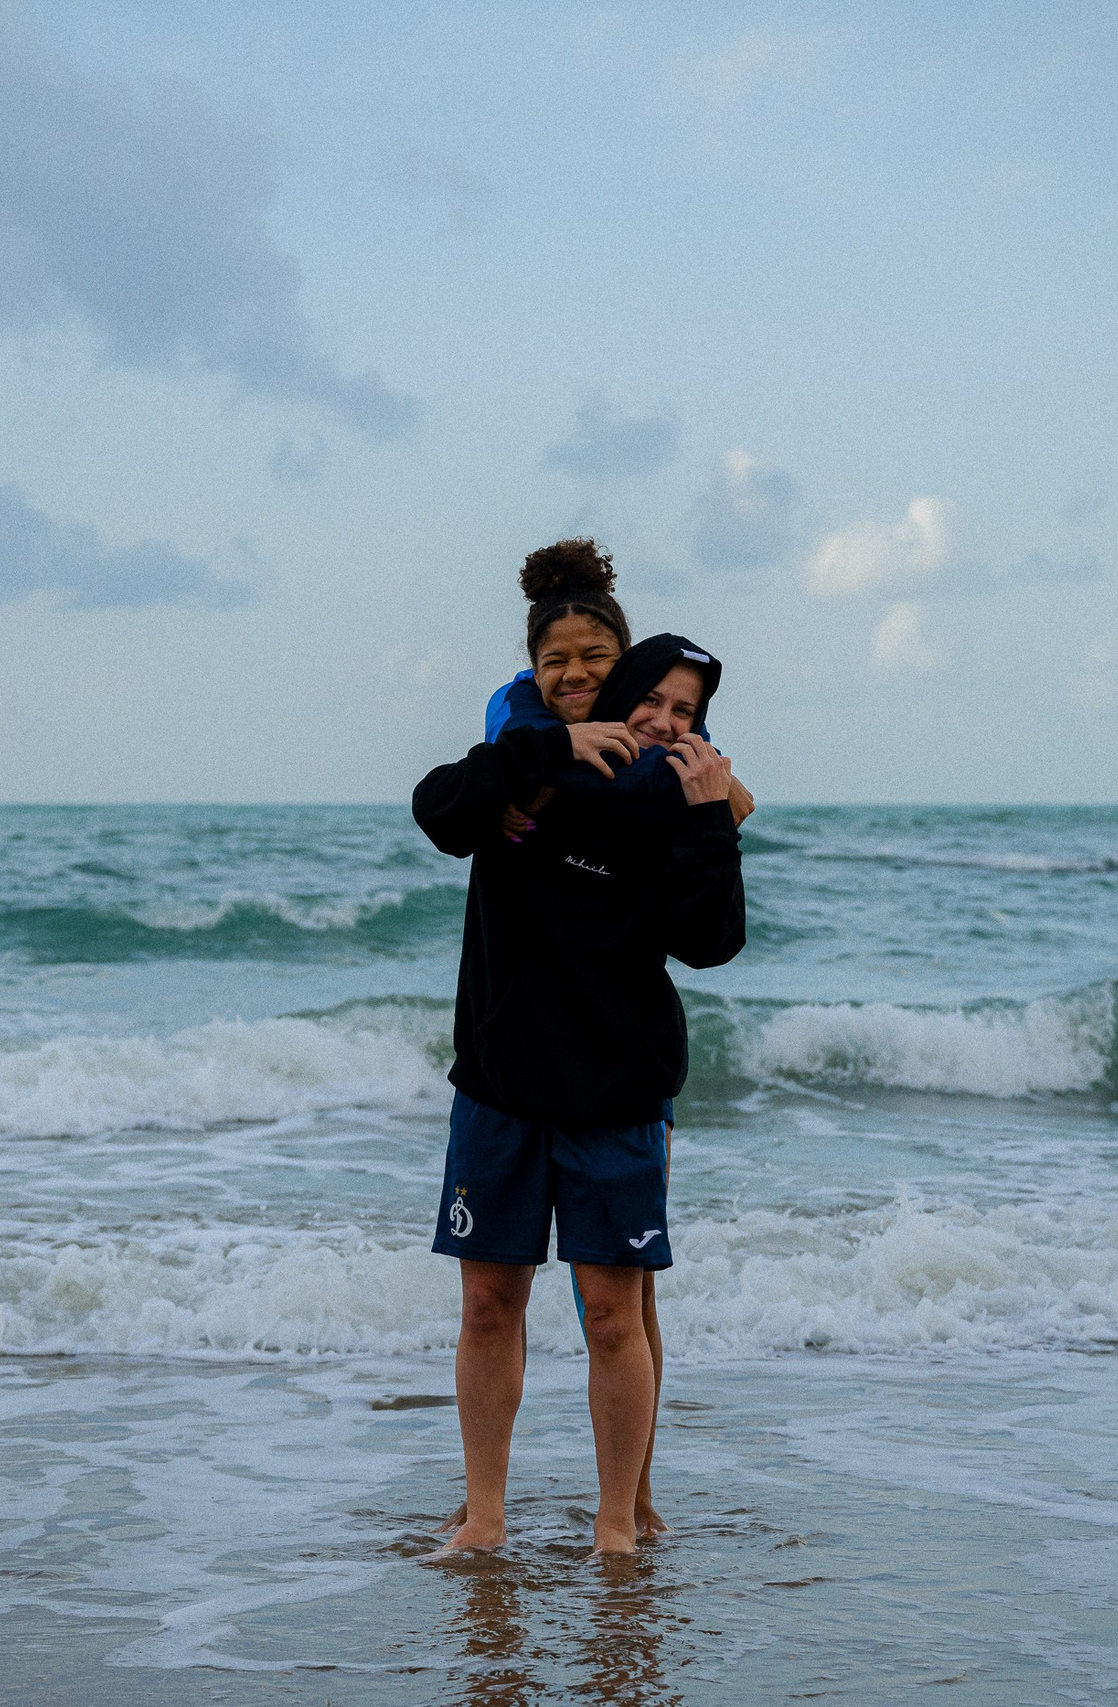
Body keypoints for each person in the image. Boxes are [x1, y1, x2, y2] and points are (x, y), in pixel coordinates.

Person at [412, 545, 748, 1557]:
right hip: (501, 1079)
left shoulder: (673, 784)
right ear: (531, 669)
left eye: (595, 658)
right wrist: (542, 757)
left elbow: (709, 941)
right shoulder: (513, 756)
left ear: (625, 666)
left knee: (614, 1310)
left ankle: (620, 1517)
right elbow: (437, 810)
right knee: (487, 1304)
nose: (574, 673)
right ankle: (484, 1516)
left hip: (619, 1083)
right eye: (555, 659)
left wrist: (713, 820)